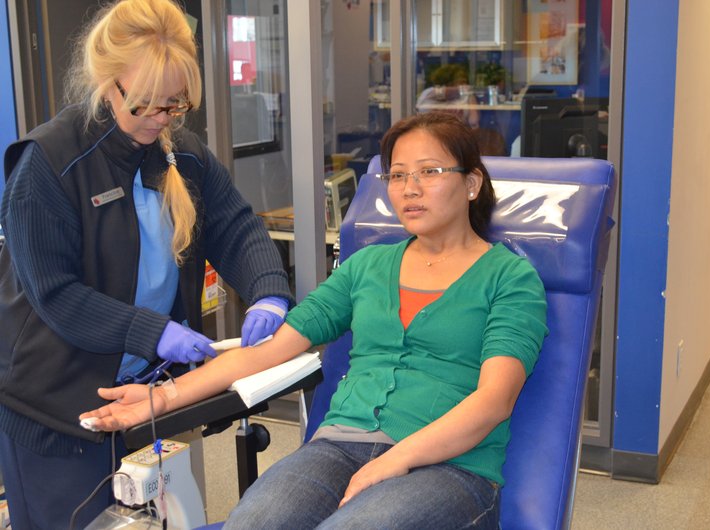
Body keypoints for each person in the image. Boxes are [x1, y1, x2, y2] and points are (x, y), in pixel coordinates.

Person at [81, 112, 548, 529]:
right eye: (397, 174)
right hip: (339, 447)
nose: (409, 188)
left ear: (472, 183)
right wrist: (162, 398)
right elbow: (268, 352)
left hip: (451, 467)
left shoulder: (510, 279)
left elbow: (494, 401)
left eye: (430, 171)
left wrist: (397, 459)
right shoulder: (368, 267)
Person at [0, 1, 292, 528]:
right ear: (107, 83)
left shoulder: (182, 153)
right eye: (145, 105)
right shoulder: (47, 164)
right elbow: (56, 294)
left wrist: (268, 290)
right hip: (56, 406)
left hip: (144, 394)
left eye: (175, 105)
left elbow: (235, 226)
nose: (161, 119)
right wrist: (154, 332)